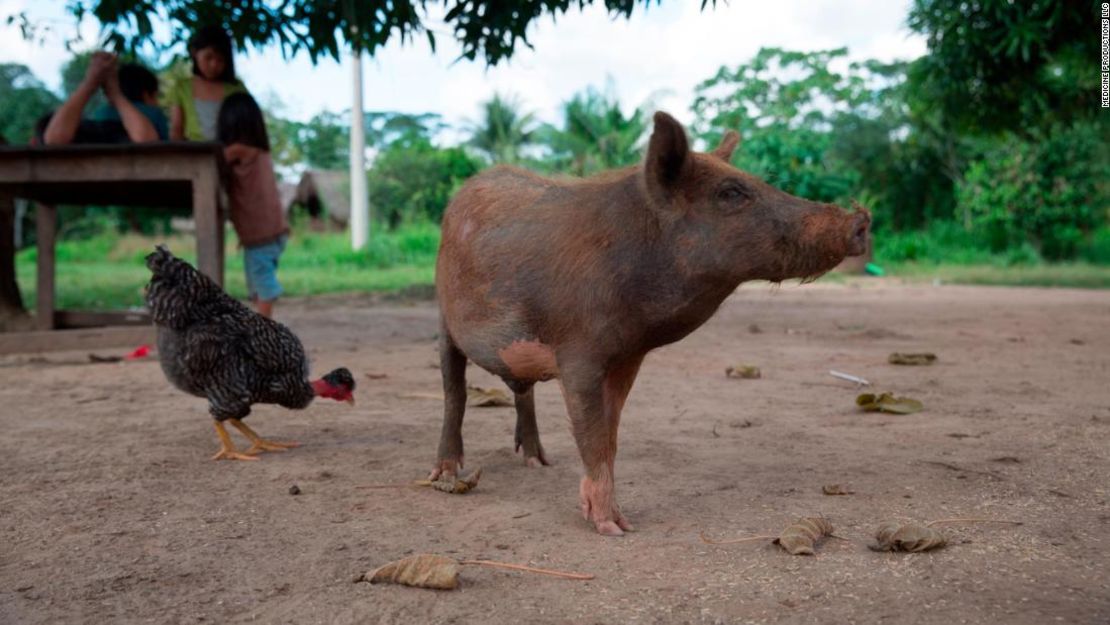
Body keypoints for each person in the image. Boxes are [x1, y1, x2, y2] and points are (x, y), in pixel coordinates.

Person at [217, 92, 289, 318]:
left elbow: (216, 161)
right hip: (270, 231)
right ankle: (263, 326)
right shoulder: (262, 153)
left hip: (262, 234)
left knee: (262, 283)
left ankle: (265, 330)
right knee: (257, 283)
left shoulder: (237, 151)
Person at [41, 51, 167, 145]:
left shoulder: (98, 114)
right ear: (147, 94)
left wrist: (90, 83)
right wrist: (115, 94)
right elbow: (147, 141)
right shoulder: (154, 115)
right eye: (157, 96)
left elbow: (53, 139)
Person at [165, 26, 248, 141]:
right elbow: (176, 130)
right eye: (208, 57)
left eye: (220, 60)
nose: (214, 65)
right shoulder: (181, 88)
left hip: (232, 155)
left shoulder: (237, 88)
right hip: (194, 155)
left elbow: (248, 128)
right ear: (195, 53)